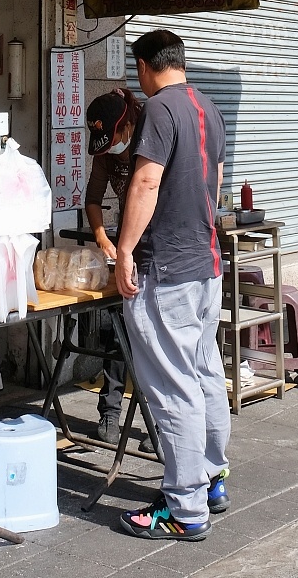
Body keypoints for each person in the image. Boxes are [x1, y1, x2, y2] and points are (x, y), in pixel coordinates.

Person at [114, 28, 230, 542]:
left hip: (167, 271)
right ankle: (212, 480)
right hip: (206, 265)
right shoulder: (209, 107)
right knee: (205, 373)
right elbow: (218, 180)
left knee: (173, 385)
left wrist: (123, 250)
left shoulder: (160, 109)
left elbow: (145, 181)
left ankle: (185, 509)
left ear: (145, 66)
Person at [84, 87, 145, 444]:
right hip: (124, 247)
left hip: (154, 249)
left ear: (126, 126)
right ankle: (109, 410)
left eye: (113, 140)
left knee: (153, 341)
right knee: (118, 330)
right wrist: (103, 238)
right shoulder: (107, 151)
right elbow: (92, 198)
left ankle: (155, 418)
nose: (110, 150)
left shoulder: (150, 139)